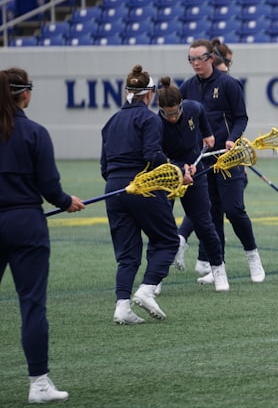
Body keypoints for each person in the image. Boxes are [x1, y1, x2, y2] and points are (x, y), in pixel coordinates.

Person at [0, 67, 85, 403]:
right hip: (25, 224)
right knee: (32, 306)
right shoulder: (35, 132)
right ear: (25, 94)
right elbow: (50, 188)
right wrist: (67, 202)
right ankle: (38, 384)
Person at [180, 39, 265, 283]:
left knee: (234, 210)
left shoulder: (229, 84)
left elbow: (241, 117)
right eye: (191, 59)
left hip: (229, 159)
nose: (195, 63)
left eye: (199, 58)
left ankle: (253, 257)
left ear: (211, 58)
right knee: (211, 214)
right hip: (203, 162)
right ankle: (219, 267)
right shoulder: (187, 88)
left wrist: (232, 139)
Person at [101, 64, 178, 324]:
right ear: (149, 95)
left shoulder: (111, 121)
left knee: (127, 253)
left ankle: (122, 306)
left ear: (127, 93)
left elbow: (104, 166)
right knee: (169, 240)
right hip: (141, 186)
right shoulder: (149, 119)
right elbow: (152, 156)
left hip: (113, 189)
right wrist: (174, 172)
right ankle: (146, 289)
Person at [157, 76, 229, 291]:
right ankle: (155, 279)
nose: (171, 117)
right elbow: (155, 154)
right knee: (161, 227)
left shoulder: (193, 108)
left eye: (175, 112)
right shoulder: (155, 123)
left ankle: (218, 270)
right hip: (168, 174)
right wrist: (179, 170)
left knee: (205, 224)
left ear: (181, 105)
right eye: (166, 113)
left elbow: (202, 118)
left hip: (195, 171)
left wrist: (207, 135)